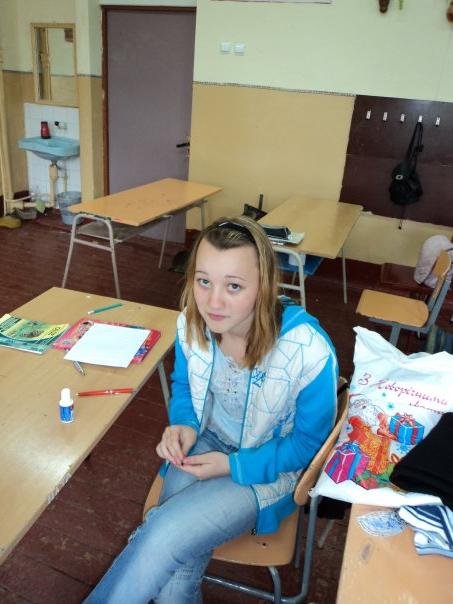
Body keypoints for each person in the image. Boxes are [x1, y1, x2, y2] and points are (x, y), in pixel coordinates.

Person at [84, 216, 338, 604]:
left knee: (163, 535)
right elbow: (185, 386)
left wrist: (233, 465)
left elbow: (308, 447)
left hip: (269, 469)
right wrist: (184, 424)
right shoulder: (192, 322)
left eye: (233, 286)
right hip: (207, 441)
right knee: (175, 563)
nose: (213, 302)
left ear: (264, 285)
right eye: (204, 281)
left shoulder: (308, 351)